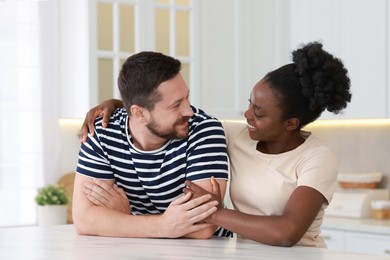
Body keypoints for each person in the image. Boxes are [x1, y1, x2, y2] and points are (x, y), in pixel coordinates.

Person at [80, 42, 352, 247]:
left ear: (291, 123)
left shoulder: (317, 158)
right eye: (249, 104)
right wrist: (120, 105)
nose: (246, 115)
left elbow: (287, 232)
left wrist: (215, 214)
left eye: (258, 112)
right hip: (247, 253)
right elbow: (84, 219)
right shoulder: (240, 136)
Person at [73, 51, 230, 239]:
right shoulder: (101, 131)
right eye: (176, 104)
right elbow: (84, 219)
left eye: (187, 97)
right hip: (134, 250)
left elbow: (203, 227)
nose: (189, 110)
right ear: (139, 114)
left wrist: (124, 218)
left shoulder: (204, 130)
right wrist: (163, 225)